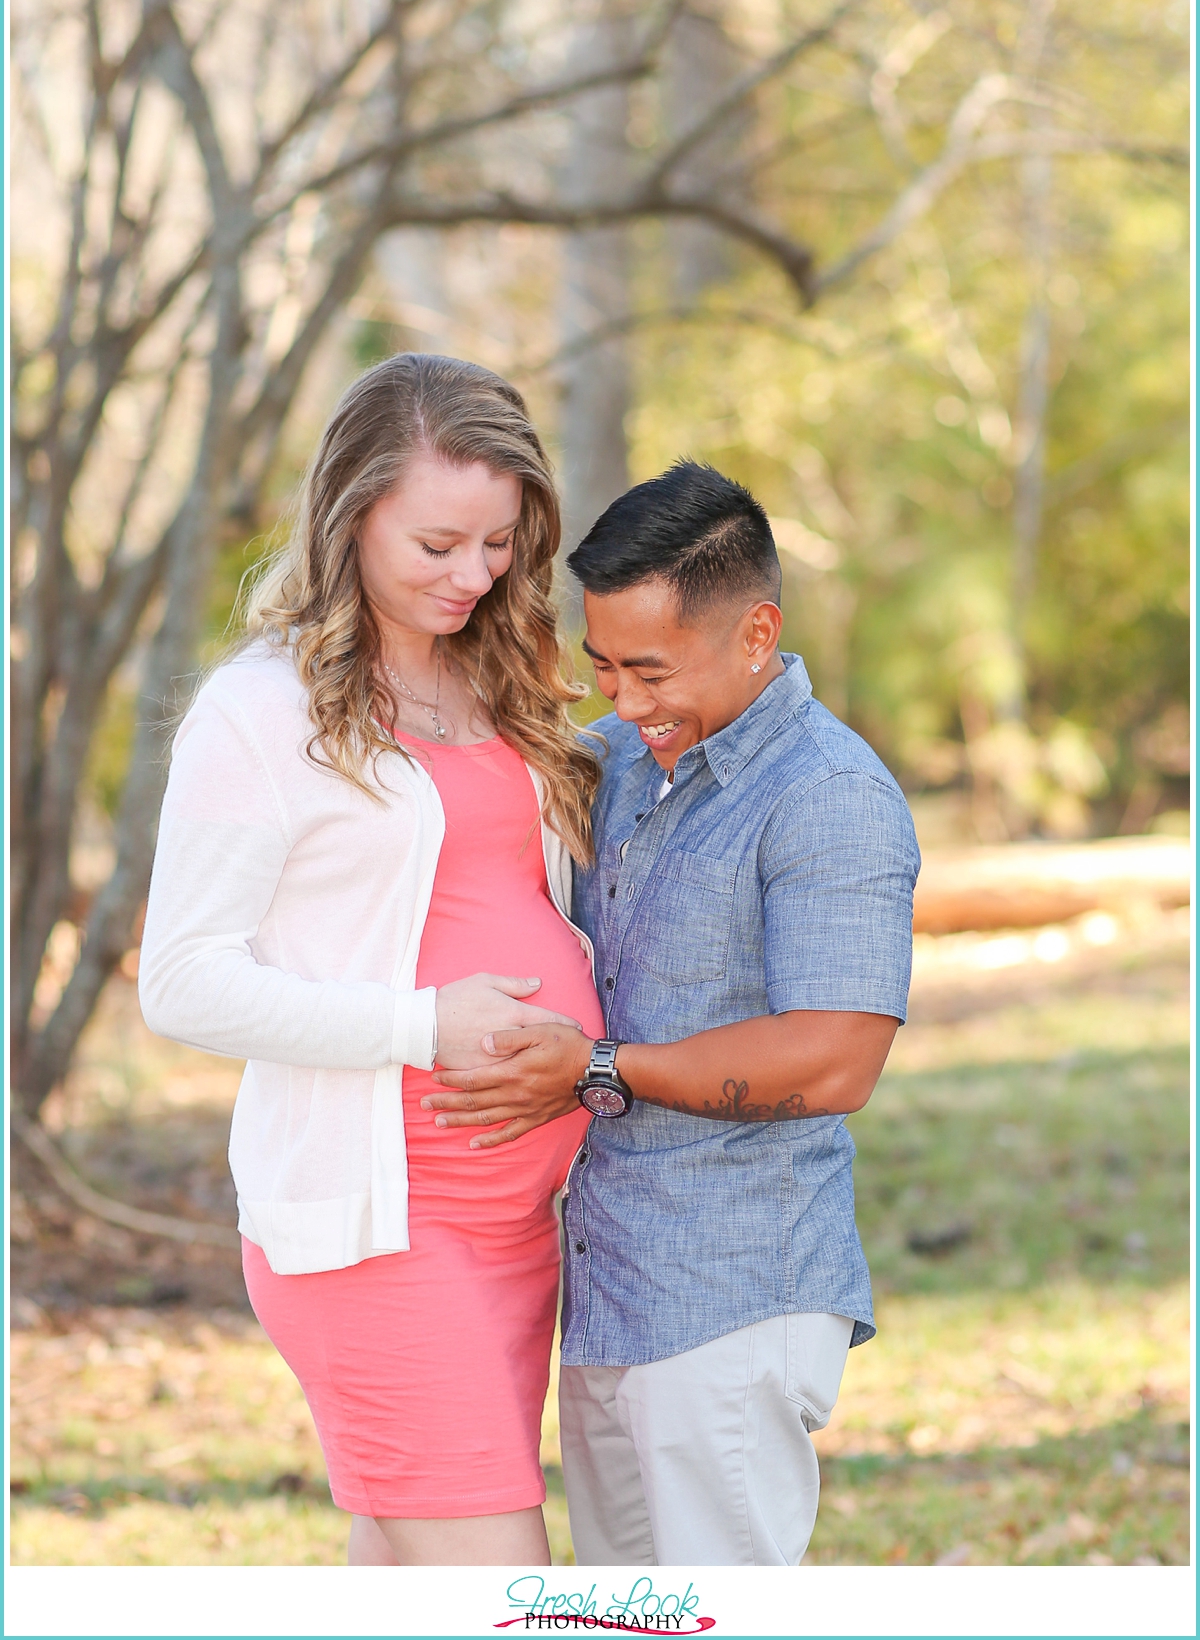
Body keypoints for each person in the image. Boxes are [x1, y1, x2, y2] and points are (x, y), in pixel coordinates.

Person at [138, 352, 605, 1567]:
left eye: (501, 542)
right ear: (350, 519)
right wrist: (419, 1025)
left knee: (400, 1576)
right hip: (377, 1230)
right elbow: (180, 979)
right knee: (510, 1589)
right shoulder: (261, 711)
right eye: (438, 543)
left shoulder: (498, 679)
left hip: (519, 1227)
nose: (475, 574)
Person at [425, 460, 921, 1568]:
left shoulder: (827, 796)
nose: (623, 701)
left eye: (650, 670)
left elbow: (836, 1059)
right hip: (607, 1287)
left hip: (735, 1293)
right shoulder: (612, 763)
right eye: (603, 666)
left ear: (756, 634)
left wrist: (595, 1066)